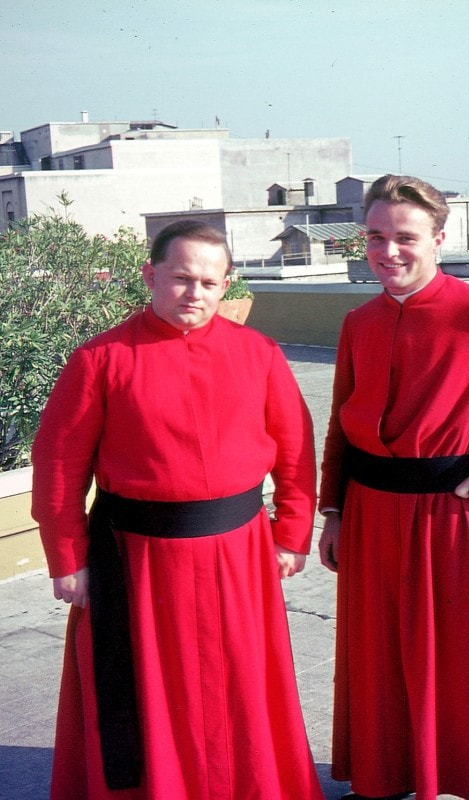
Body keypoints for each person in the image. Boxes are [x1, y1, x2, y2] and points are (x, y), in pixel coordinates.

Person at [32, 220, 324, 800]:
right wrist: (67, 560)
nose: (195, 293)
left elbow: (295, 452)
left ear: (226, 285)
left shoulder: (260, 354)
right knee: (147, 694)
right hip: (136, 561)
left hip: (238, 553)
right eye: (181, 278)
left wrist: (291, 534)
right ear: (150, 275)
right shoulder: (99, 358)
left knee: (238, 688)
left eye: (209, 282)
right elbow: (59, 467)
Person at [318, 174, 469, 800]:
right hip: (370, 516)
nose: (388, 251)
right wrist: (333, 511)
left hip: (453, 518)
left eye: (405, 237)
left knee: (466, 658)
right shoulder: (358, 321)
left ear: (439, 239)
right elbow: (341, 426)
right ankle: (385, 777)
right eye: (375, 237)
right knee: (380, 655)